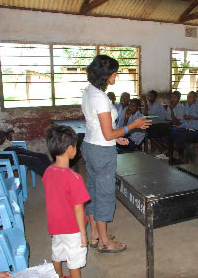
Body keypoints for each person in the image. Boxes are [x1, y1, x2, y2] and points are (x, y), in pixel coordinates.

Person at [81, 55, 151, 253]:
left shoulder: (89, 92)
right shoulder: (101, 99)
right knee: (104, 195)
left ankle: (95, 233)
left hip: (90, 146)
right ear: (107, 75)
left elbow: (99, 128)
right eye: (115, 72)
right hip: (101, 153)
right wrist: (132, 126)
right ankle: (105, 241)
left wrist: (114, 138)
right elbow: (108, 131)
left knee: (94, 191)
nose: (116, 75)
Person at [43, 125, 90, 278]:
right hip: (72, 229)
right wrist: (83, 233)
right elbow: (78, 209)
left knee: (57, 254)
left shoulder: (48, 172)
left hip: (55, 226)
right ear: (70, 148)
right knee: (74, 261)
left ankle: (57, 276)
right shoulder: (74, 178)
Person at [0, 101, 51, 176]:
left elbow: (9, 126)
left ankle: (55, 176)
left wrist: (4, 133)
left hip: (10, 149)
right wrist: (4, 135)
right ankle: (53, 181)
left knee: (42, 156)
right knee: (35, 161)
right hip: (0, 155)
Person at [172, 91, 198, 161]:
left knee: (181, 137)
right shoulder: (187, 105)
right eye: (187, 97)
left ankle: (183, 156)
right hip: (185, 126)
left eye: (190, 97)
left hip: (194, 130)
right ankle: (182, 154)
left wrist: (193, 118)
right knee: (171, 132)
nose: (188, 99)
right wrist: (184, 117)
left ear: (195, 98)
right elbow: (185, 118)